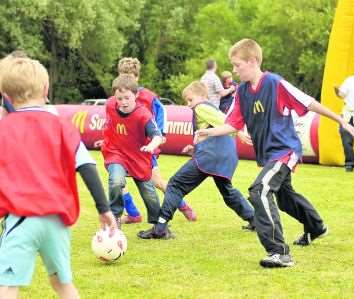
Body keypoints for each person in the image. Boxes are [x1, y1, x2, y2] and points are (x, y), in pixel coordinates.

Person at [196, 39, 354, 268]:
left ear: (252, 61)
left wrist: (341, 120)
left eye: (237, 65)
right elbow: (233, 124)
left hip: (285, 151)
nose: (233, 70)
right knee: (284, 197)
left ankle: (279, 252)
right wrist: (208, 133)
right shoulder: (242, 92)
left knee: (259, 190)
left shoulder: (275, 84)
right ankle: (316, 226)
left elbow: (310, 103)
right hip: (269, 155)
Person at [0, 57, 116, 299]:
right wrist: (104, 208)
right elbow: (86, 165)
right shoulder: (63, 126)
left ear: (6, 96)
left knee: (8, 286)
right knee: (62, 284)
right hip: (58, 221)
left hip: (22, 219)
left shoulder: (4, 128)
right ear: (46, 90)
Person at [136, 81, 256, 240]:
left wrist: (239, 132)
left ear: (202, 96)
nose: (188, 104)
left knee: (175, 185)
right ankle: (255, 220)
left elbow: (227, 122)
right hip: (225, 157)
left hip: (210, 157)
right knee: (228, 193)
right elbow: (215, 132)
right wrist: (195, 150)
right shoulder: (207, 108)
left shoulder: (202, 107)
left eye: (190, 100)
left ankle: (160, 228)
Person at [116, 57, 197, 223]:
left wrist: (160, 134)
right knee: (117, 181)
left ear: (137, 77)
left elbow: (161, 114)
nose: (127, 79)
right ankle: (132, 213)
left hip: (145, 149)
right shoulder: (118, 97)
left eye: (131, 76)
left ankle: (183, 206)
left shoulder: (148, 97)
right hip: (125, 149)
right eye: (124, 75)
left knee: (157, 182)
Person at [102, 74, 164, 229]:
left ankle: (159, 226)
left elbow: (157, 136)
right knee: (116, 181)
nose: (123, 102)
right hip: (115, 153)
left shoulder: (143, 115)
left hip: (138, 157)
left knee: (149, 193)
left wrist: (151, 146)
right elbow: (111, 124)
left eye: (127, 98)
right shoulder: (109, 105)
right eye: (119, 98)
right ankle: (115, 219)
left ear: (136, 95)